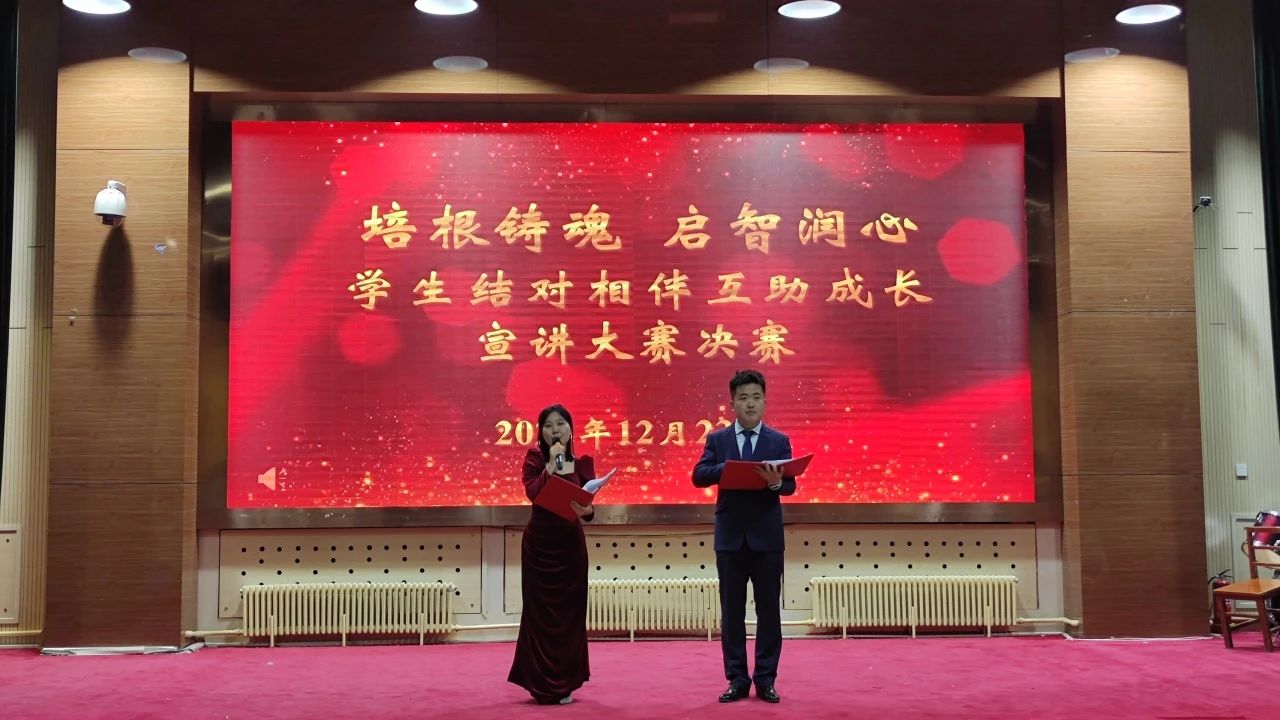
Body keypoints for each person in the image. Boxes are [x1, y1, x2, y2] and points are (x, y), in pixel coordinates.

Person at [692, 369, 796, 704]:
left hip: (767, 540)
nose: (750, 404)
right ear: (732, 403)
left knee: (769, 613)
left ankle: (766, 680)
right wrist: (726, 468)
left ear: (764, 401)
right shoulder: (718, 440)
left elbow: (790, 485)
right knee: (732, 614)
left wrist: (776, 483)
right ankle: (737, 679)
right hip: (731, 539)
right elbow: (698, 475)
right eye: (743, 398)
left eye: (756, 397)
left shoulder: (778, 440)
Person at [508, 404, 596, 705]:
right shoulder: (535, 459)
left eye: (560, 424)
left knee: (570, 615)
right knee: (540, 615)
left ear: (571, 429)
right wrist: (550, 466)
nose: (555, 430)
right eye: (548, 425)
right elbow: (533, 493)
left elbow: (588, 508)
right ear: (541, 432)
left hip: (570, 547)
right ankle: (540, 683)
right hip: (540, 548)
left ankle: (566, 682)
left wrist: (587, 510)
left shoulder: (583, 463)